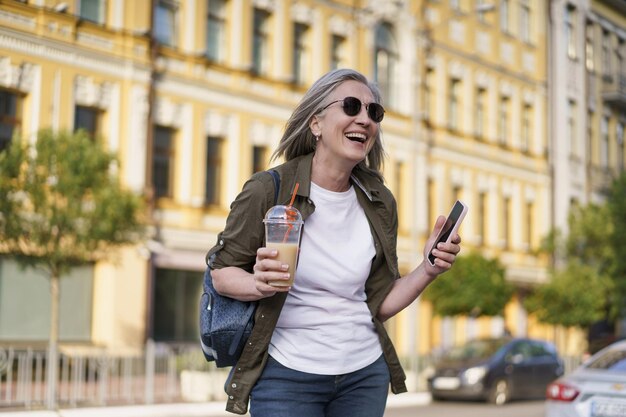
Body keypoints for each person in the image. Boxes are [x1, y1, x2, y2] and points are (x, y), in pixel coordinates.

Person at [208, 68, 462, 416]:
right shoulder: (270, 189)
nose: (365, 120)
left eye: (374, 113)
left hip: (363, 373)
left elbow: (379, 304)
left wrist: (429, 268)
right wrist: (258, 283)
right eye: (352, 106)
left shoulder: (379, 200)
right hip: (286, 374)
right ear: (316, 123)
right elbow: (222, 273)